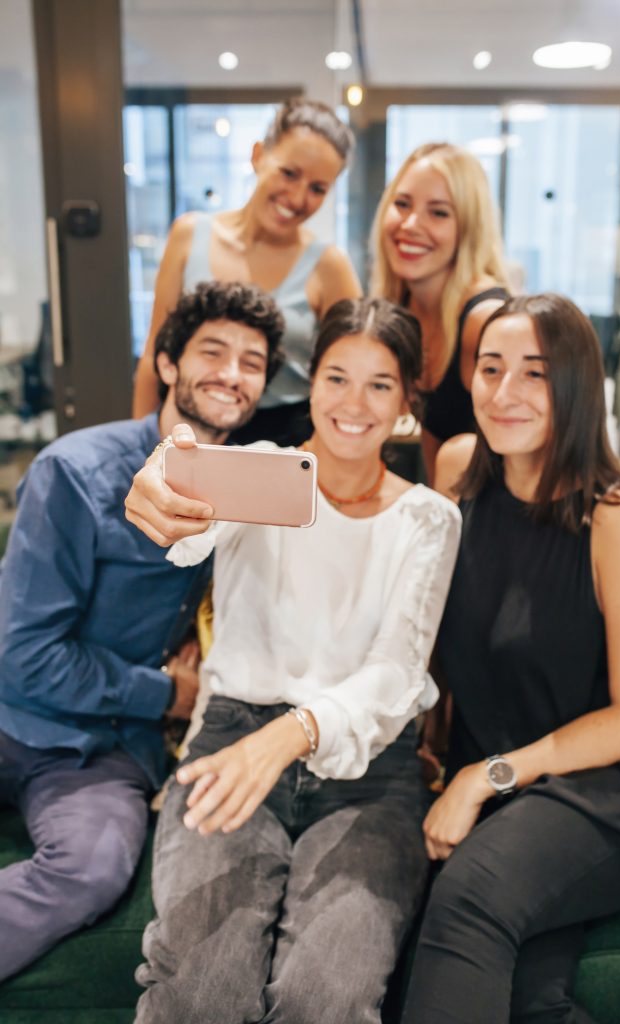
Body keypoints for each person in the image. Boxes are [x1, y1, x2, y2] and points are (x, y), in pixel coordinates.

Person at [123, 297, 461, 1024]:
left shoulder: (426, 518)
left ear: (406, 401)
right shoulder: (262, 474)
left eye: (380, 384)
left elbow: (394, 675)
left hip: (373, 780)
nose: (354, 403)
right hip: (230, 745)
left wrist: (291, 734)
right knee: (200, 995)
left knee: (325, 999)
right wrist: (160, 479)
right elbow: (182, 506)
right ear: (311, 381)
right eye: (337, 376)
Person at [400, 293, 620, 1024]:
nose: (502, 393)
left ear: (576, 387)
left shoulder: (616, 517)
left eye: (533, 373)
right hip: (506, 775)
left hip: (615, 786)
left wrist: (482, 780)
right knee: (528, 998)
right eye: (489, 368)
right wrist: (428, 747)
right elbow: (438, 630)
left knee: (469, 895)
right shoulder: (460, 468)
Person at [0, 280, 284, 981]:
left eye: (251, 362)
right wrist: (164, 694)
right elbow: (22, 657)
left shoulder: (256, 492)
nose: (231, 373)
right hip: (14, 714)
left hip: (107, 755)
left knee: (94, 869)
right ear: (166, 365)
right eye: (212, 352)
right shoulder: (73, 471)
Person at [132, 97, 362, 447]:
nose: (299, 197)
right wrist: (138, 448)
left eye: (318, 189)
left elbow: (352, 370)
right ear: (258, 156)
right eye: (289, 173)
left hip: (286, 438)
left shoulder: (330, 267)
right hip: (189, 429)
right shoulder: (190, 235)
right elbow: (153, 354)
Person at [370, 142, 510, 481]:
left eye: (439, 212)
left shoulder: (484, 320)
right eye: (402, 204)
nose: (411, 224)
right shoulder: (406, 309)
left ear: (468, 228)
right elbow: (437, 433)